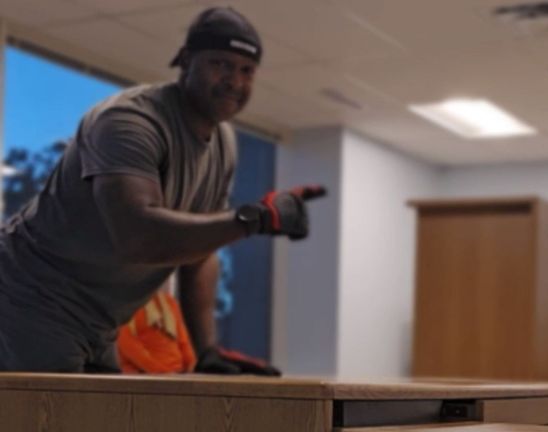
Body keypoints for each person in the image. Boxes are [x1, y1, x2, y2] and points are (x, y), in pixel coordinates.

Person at [0, 6, 322, 373]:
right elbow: (138, 235)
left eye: (246, 70)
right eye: (220, 63)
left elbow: (200, 252)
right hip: (28, 298)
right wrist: (254, 219)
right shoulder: (129, 121)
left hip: (100, 323)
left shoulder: (223, 143)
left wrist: (207, 353)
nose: (234, 80)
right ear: (186, 60)